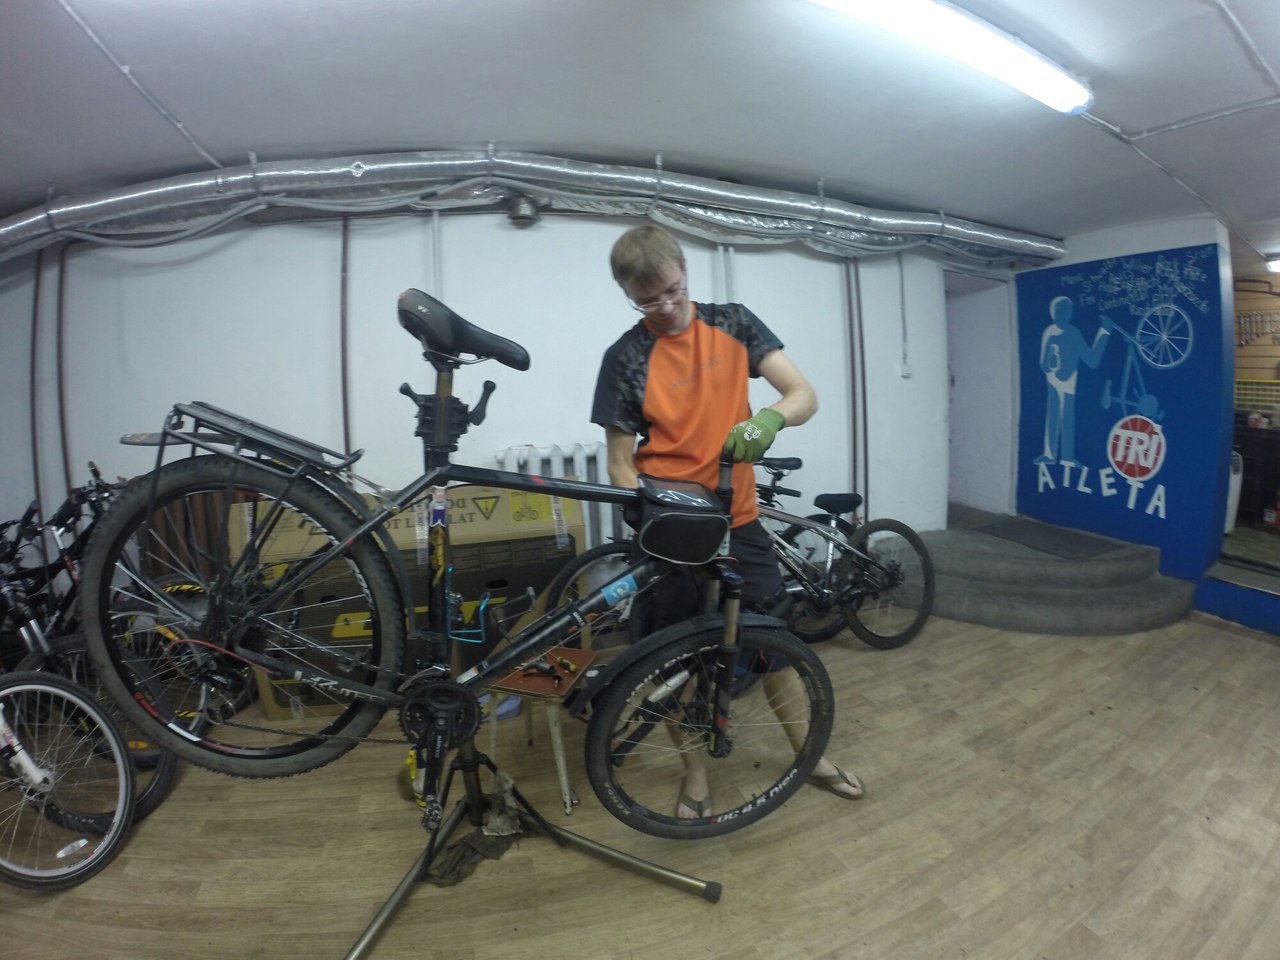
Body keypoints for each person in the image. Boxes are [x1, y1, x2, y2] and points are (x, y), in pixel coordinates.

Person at [590, 223, 863, 817]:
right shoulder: (626, 358)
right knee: (673, 658)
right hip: (671, 530)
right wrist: (653, 516)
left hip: (738, 521)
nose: (665, 308)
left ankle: (809, 754)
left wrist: (770, 419)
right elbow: (618, 463)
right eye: (647, 301)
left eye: (673, 291)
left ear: (685, 271)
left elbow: (802, 393)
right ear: (628, 295)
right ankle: (694, 777)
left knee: (775, 643)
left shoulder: (734, 324)